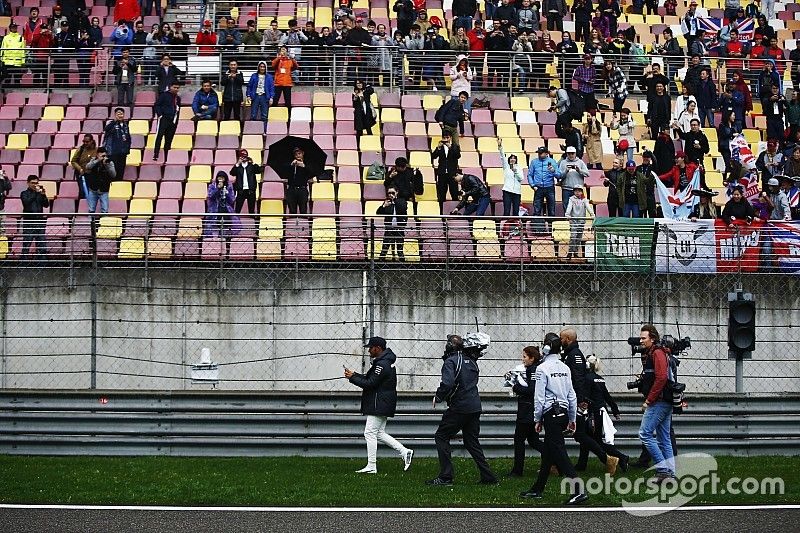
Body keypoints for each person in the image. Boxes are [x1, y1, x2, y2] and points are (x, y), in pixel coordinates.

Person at [519, 333, 587, 504]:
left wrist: (537, 419)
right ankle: (538, 489)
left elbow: (539, 397)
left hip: (551, 413)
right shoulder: (565, 367)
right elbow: (572, 396)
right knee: (549, 453)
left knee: (558, 452)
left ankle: (578, 489)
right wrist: (572, 418)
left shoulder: (542, 369)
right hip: (563, 413)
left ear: (546, 348)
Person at [428, 334, 497, 486]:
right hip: (474, 406)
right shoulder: (472, 361)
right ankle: (488, 476)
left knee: (441, 436)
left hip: (459, 407)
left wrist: (438, 397)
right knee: (472, 441)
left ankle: (446, 477)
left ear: (449, 346)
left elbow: (447, 383)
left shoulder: (451, 361)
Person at [345, 336, 414, 474]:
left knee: (369, 433)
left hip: (379, 403)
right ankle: (404, 451)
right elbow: (371, 379)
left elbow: (370, 384)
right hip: (384, 402)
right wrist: (354, 375)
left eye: (371, 348)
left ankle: (372, 466)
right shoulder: (385, 361)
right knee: (379, 433)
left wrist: (352, 378)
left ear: (378, 348)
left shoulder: (382, 364)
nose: (369, 350)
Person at [560, 327, 619, 473]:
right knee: (579, 435)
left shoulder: (575, 356)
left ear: (568, 339)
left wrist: (579, 400)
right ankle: (561, 465)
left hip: (576, 401)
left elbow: (578, 379)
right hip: (573, 399)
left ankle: (609, 459)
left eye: (562, 338)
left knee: (580, 435)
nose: (560, 341)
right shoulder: (570, 354)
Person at [637, 324, 676, 482]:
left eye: (643, 338)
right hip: (665, 400)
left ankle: (662, 470)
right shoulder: (657, 352)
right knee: (664, 437)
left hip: (659, 401)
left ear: (652, 338)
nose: (641, 340)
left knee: (645, 433)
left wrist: (649, 400)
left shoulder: (657, 353)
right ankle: (671, 474)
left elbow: (661, 378)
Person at [580, 355, 629, 471]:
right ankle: (582, 464)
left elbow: (585, 396)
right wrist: (615, 410)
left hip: (592, 412)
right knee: (587, 438)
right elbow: (607, 396)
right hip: (601, 412)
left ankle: (620, 457)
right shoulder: (599, 378)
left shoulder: (586, 379)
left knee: (594, 440)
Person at [507, 346, 544, 477]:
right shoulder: (533, 369)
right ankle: (555, 459)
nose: (523, 360)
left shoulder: (532, 370)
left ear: (532, 358)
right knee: (534, 441)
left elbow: (532, 390)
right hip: (530, 410)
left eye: (524, 357)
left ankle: (517, 470)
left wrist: (515, 386)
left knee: (519, 440)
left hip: (527, 411)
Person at [20, 175, 49, 258]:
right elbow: (26, 203)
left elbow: (46, 205)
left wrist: (43, 195)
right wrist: (36, 193)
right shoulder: (24, 193)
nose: (35, 185)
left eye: (36, 183)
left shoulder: (39, 193)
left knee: (41, 245)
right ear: (28, 183)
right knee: (26, 245)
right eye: (33, 183)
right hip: (29, 222)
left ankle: (42, 265)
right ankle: (23, 265)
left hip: (39, 222)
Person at [100, 108, 131, 183]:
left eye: (121, 114)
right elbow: (106, 129)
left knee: (121, 171)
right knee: (113, 171)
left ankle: (119, 187)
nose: (120, 115)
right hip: (113, 152)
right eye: (118, 114)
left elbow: (128, 137)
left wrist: (127, 148)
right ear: (115, 115)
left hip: (123, 152)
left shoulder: (125, 125)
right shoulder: (111, 124)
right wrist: (115, 121)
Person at [376, 188, 408, 261]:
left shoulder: (401, 201)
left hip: (399, 228)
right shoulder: (387, 203)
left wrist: (394, 200)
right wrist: (384, 206)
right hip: (389, 228)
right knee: (384, 248)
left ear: (397, 192)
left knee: (400, 249)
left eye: (393, 193)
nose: (390, 195)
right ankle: (379, 265)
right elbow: (378, 213)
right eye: (389, 193)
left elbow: (403, 208)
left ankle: (403, 266)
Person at [528, 147, 560, 218]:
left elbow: (559, 175)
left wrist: (553, 171)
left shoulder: (552, 161)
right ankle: (537, 228)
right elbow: (530, 175)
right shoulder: (534, 162)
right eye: (538, 153)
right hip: (538, 187)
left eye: (541, 153)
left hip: (549, 187)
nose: (539, 154)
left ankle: (551, 226)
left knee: (551, 210)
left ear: (546, 153)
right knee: (537, 210)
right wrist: (533, 185)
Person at [153, 82, 181, 161]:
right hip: (164, 119)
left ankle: (166, 156)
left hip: (173, 120)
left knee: (169, 139)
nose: (176, 89)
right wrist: (160, 115)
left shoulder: (178, 98)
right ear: (170, 87)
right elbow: (157, 105)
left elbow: (178, 109)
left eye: (177, 88)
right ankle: (156, 154)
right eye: (174, 87)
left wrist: (176, 120)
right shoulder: (164, 95)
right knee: (159, 136)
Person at [205, 171, 238, 237]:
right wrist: (218, 188)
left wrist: (227, 193)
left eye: (222, 178)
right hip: (214, 209)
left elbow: (232, 200)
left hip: (225, 210)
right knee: (210, 227)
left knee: (224, 229)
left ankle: (224, 240)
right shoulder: (212, 186)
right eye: (219, 178)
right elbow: (210, 196)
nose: (220, 180)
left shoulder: (229, 186)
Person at [84, 147, 116, 215]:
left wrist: (107, 165)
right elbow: (87, 167)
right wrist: (97, 160)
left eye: (104, 155)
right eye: (101, 155)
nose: (103, 157)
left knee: (105, 210)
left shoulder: (109, 162)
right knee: (91, 210)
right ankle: (91, 224)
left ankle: (104, 224)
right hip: (93, 189)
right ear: (97, 154)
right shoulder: (93, 160)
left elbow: (113, 174)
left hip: (104, 190)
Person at [229, 149, 262, 215]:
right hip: (241, 190)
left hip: (251, 190)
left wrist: (253, 163)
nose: (244, 158)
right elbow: (232, 173)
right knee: (237, 209)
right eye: (242, 156)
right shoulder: (238, 167)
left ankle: (252, 223)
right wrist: (238, 163)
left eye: (245, 156)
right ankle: (236, 222)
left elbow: (259, 170)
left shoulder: (251, 166)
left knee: (251, 211)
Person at [564, 187, 594, 260]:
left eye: (579, 191)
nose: (577, 192)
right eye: (576, 191)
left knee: (579, 237)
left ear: (582, 192)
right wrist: (567, 214)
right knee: (573, 236)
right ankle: (570, 252)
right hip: (573, 221)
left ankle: (575, 252)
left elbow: (588, 207)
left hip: (581, 221)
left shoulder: (584, 199)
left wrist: (592, 214)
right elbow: (569, 207)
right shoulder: (571, 199)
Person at [431, 131, 461, 203]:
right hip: (442, 173)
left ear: (450, 138)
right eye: (444, 138)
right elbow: (433, 156)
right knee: (441, 194)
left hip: (452, 173)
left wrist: (450, 147)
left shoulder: (455, 146)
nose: (446, 139)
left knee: (454, 193)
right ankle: (441, 211)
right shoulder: (440, 147)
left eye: (447, 137)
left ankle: (455, 210)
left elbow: (458, 156)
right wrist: (438, 148)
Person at [283, 147, 313, 214]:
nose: (297, 156)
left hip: (302, 189)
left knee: (303, 210)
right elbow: (285, 173)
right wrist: (291, 165)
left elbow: (310, 174)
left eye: (299, 153)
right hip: (291, 189)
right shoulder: (291, 164)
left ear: (303, 154)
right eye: (296, 154)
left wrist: (303, 166)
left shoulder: (307, 165)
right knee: (292, 211)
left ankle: (303, 224)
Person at [499, 138, 524, 217]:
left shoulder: (519, 168)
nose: (512, 159)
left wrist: (515, 170)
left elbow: (521, 178)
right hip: (507, 191)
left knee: (515, 212)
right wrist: (500, 147)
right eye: (511, 158)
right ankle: (505, 227)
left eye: (514, 158)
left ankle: (515, 227)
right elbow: (502, 157)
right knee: (507, 210)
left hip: (517, 192)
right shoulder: (506, 167)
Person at [1, 23, 26, 87]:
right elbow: (3, 48)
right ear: (10, 28)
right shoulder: (6, 38)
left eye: (15, 27)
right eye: (13, 27)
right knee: (7, 79)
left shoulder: (20, 37)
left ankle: (16, 94)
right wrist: (2, 59)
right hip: (8, 61)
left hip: (17, 61)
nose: (14, 28)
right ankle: (6, 94)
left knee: (17, 79)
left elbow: (23, 50)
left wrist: (23, 61)